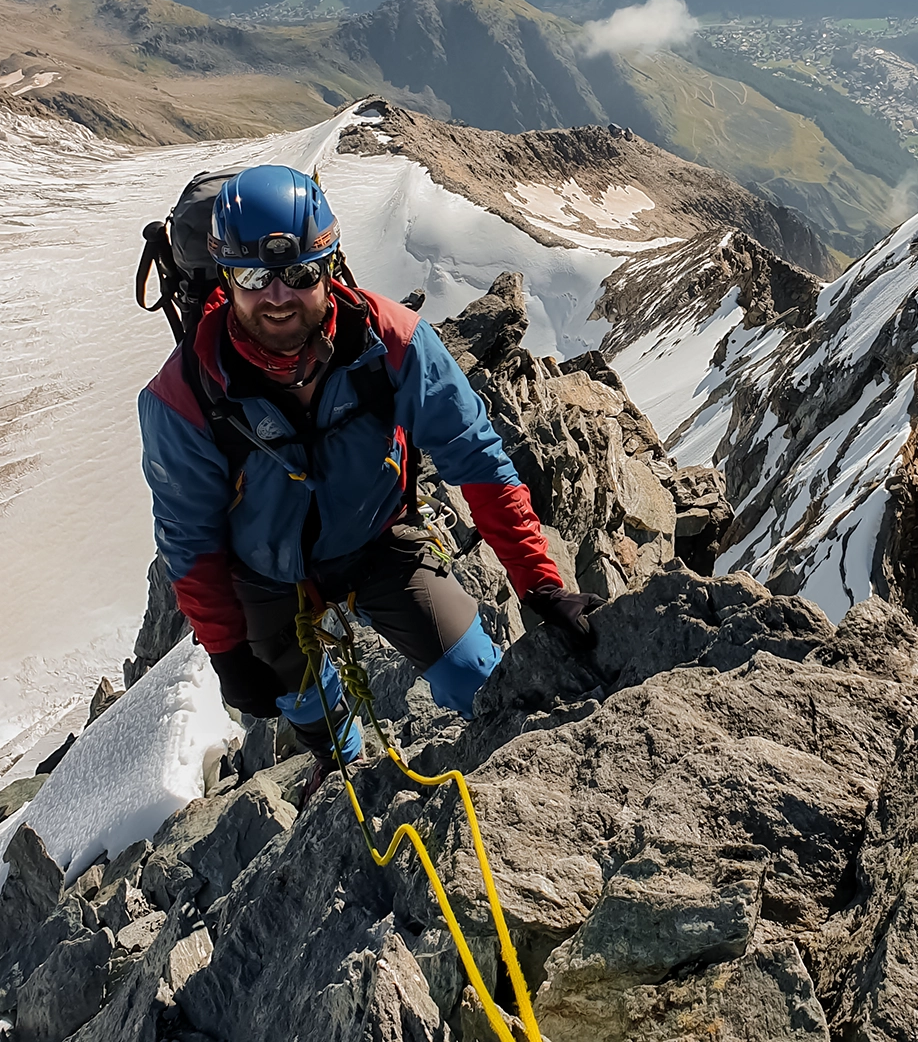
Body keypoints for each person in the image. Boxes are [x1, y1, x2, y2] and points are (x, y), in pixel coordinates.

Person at [137, 163, 599, 761]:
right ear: (226, 277)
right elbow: (189, 541)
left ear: (329, 267)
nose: (277, 297)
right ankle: (340, 757)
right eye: (254, 275)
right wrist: (228, 653)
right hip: (263, 572)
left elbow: (477, 459)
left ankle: (500, 752)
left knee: (474, 674)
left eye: (298, 273)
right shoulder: (182, 399)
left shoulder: (395, 344)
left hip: (378, 541)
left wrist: (539, 584)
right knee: (299, 698)